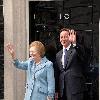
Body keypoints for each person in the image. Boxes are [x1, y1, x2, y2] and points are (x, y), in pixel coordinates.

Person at [55, 28, 86, 100]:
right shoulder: (58, 54)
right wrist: (56, 90)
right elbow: (57, 73)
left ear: (70, 37)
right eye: (61, 37)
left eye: (65, 36)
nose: (63, 39)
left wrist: (74, 43)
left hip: (75, 89)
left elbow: (82, 56)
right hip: (62, 90)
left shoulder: (76, 49)